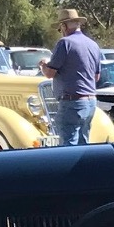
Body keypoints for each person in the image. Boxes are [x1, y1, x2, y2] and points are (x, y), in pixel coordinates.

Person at [39, 8, 101, 147]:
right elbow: (96, 77)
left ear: (64, 26)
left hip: (72, 102)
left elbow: (50, 73)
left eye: (60, 28)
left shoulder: (65, 43)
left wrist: (43, 65)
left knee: (68, 146)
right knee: (84, 144)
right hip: (91, 101)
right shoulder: (93, 45)